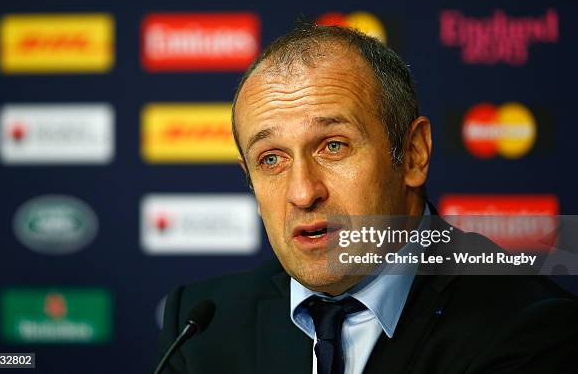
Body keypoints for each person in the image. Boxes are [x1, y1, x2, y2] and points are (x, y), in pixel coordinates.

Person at [158, 23, 578, 374]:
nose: (303, 193)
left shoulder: (530, 328)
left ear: (413, 154)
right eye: (271, 159)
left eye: (333, 146)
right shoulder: (200, 328)